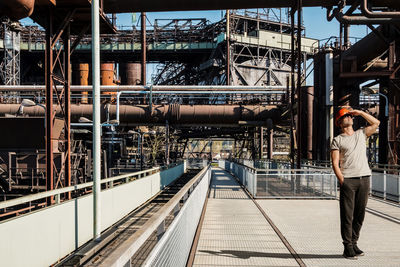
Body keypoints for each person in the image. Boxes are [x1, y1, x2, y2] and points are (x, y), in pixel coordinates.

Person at [330, 107, 380, 259]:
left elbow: (376, 123)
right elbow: (335, 162)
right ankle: (347, 246)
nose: (349, 118)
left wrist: (361, 113)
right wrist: (342, 181)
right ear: (339, 122)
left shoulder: (361, 133)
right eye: (346, 116)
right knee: (347, 215)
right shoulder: (337, 140)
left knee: (360, 214)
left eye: (350, 116)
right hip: (349, 181)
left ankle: (354, 242)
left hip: (364, 178)